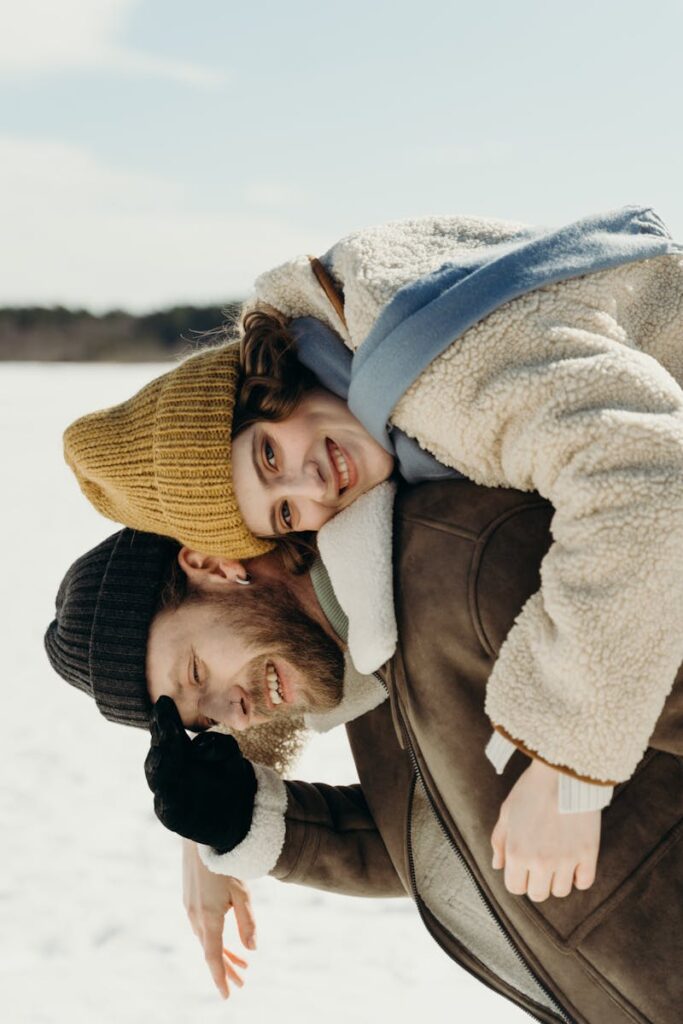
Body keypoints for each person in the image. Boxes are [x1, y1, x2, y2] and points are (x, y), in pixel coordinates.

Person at [61, 207, 683, 884]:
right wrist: (213, 841)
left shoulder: (431, 363)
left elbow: (646, 477)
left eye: (268, 455)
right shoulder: (364, 443)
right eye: (286, 513)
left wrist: (566, 766)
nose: (309, 485)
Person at [45, 477, 683, 1024]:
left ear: (212, 565)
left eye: (195, 673)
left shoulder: (458, 568)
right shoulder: (364, 680)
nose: (230, 712)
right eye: (202, 717)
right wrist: (245, 823)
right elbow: (448, 846)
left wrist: (573, 780)